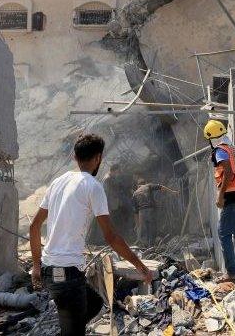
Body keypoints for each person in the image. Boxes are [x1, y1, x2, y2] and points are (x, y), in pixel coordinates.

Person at [29, 134, 154, 336]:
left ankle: (70, 328)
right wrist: (141, 266)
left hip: (50, 270)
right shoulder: (93, 187)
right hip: (67, 274)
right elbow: (111, 237)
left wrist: (36, 266)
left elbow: (34, 227)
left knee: (95, 303)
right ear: (98, 158)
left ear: (76, 157)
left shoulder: (58, 182)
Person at [203, 119, 235, 282]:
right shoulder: (234, 150)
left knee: (223, 233)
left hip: (232, 198)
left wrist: (220, 195)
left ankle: (231, 273)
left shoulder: (219, 151)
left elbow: (229, 173)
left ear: (212, 138)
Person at [132, 178, 178, 245]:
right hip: (150, 210)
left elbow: (135, 211)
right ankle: (152, 246)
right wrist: (172, 192)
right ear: (145, 182)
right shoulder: (148, 186)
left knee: (147, 229)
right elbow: (161, 187)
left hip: (142, 213)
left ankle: (148, 246)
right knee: (153, 229)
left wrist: (137, 223)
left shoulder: (135, 193)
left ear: (137, 185)